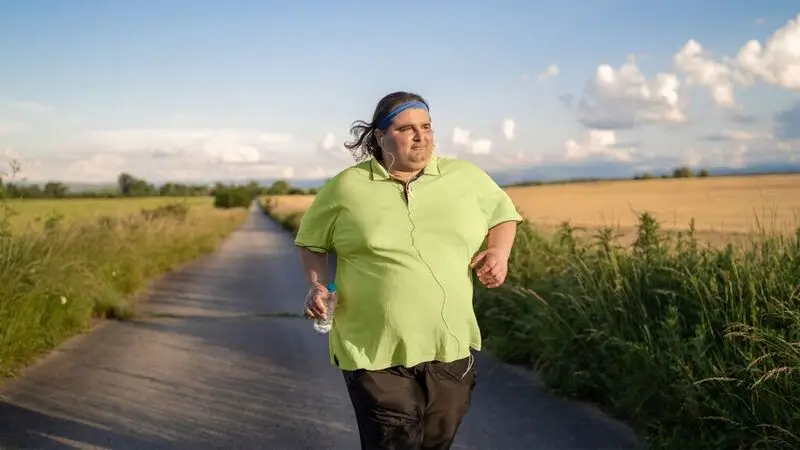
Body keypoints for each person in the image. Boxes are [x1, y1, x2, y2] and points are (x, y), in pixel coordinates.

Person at [295, 91, 522, 449]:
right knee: (394, 442)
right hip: (372, 349)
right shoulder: (346, 187)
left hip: (448, 346)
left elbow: (504, 215)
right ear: (380, 137)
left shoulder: (465, 177)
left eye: (427, 126)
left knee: (436, 442)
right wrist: (317, 284)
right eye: (407, 128)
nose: (422, 136)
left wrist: (498, 251)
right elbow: (312, 243)